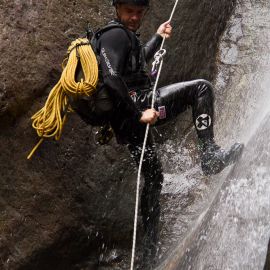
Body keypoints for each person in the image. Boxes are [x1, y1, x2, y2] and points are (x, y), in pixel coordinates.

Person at [71, 0, 244, 267]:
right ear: (117, 9)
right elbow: (112, 78)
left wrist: (157, 37)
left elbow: (134, 65)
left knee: (154, 177)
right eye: (130, 11)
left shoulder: (119, 36)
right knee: (201, 89)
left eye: (139, 12)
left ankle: (148, 254)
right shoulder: (115, 34)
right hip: (138, 107)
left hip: (126, 121)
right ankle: (209, 155)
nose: (135, 17)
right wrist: (139, 113)